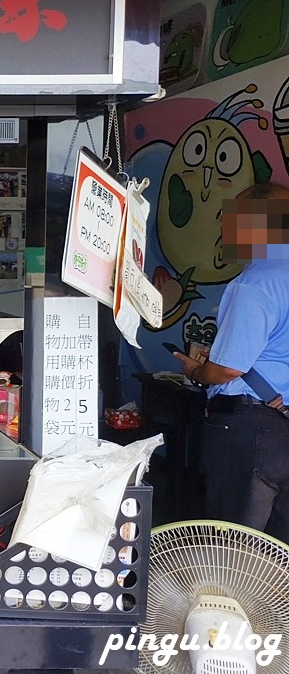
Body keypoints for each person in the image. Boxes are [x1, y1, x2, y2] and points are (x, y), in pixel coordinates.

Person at [172, 182, 289, 542]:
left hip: (251, 429)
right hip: (282, 419)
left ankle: (231, 601)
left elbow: (227, 369)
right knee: (281, 546)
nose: (225, 230)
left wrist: (197, 372)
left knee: (234, 543)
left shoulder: (254, 284)